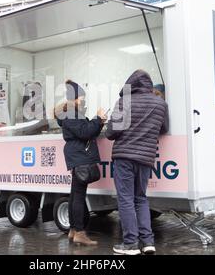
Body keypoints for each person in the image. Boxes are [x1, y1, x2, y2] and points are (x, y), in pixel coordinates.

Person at [106, 70, 169, 255]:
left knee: (125, 199)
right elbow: (164, 128)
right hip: (146, 158)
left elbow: (111, 133)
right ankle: (148, 242)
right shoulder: (160, 104)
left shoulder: (124, 102)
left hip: (124, 156)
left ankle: (130, 244)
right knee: (141, 198)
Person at [55, 80, 107, 246]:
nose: (83, 101)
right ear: (75, 98)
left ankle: (73, 230)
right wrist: (97, 118)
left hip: (77, 155)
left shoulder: (71, 113)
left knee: (75, 194)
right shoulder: (71, 113)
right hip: (79, 156)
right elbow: (85, 132)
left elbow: (86, 131)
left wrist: (98, 122)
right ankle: (79, 232)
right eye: (82, 98)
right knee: (78, 196)